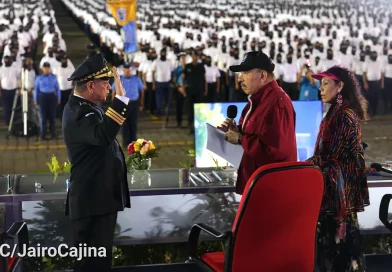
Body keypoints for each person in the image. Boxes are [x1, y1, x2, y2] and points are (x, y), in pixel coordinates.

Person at [62, 53, 131, 272]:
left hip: (97, 199)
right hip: (92, 201)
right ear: (91, 85)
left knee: (98, 262)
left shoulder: (86, 107)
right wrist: (120, 102)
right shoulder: (78, 112)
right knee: (91, 263)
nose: (110, 87)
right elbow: (103, 136)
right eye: (106, 82)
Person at [308, 66, 369, 272]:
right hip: (334, 193)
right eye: (320, 84)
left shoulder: (345, 115)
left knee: (340, 250)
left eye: (326, 83)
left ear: (340, 86)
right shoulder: (336, 112)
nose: (321, 89)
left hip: (339, 197)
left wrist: (308, 164)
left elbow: (332, 156)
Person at [220, 51, 297, 194]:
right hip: (258, 185)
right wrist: (238, 131)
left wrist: (239, 139)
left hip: (271, 189)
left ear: (262, 76)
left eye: (245, 73)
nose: (240, 79)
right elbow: (257, 135)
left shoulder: (276, 103)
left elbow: (274, 151)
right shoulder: (257, 101)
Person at [111, 63, 144, 147]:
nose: (127, 72)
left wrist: (141, 104)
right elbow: (113, 91)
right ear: (123, 71)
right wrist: (114, 104)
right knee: (124, 123)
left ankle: (134, 142)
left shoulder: (136, 79)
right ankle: (126, 143)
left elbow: (142, 91)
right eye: (126, 71)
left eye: (129, 71)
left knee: (133, 123)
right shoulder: (119, 80)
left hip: (134, 103)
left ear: (131, 71)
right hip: (123, 104)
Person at [34, 62, 60, 139]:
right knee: (43, 116)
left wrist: (59, 98)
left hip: (51, 96)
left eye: (48, 67)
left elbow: (58, 88)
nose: (46, 69)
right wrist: (35, 99)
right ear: (43, 69)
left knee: (52, 116)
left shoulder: (54, 77)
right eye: (45, 67)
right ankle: (43, 133)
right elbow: (36, 90)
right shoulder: (39, 78)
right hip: (42, 97)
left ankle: (53, 132)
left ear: (50, 68)